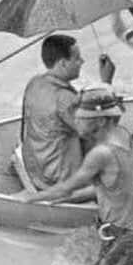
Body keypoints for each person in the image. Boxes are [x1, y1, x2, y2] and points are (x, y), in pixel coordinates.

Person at [21, 85, 133, 265]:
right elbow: (113, 187)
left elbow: (66, 188)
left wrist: (31, 199)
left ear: (101, 121)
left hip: (124, 234)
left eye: (82, 118)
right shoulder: (122, 135)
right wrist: (69, 199)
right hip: (127, 231)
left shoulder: (100, 154)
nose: (76, 123)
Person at [20, 34, 115, 191]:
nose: (82, 62)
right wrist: (106, 84)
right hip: (59, 178)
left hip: (37, 170)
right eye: (77, 58)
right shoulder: (64, 98)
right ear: (63, 63)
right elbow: (96, 132)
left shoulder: (35, 83)